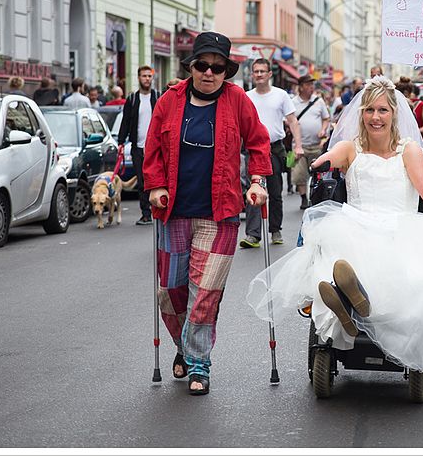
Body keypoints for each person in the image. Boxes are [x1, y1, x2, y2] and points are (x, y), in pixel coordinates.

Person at [246, 76, 423, 376]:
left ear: (394, 114)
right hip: (355, 221)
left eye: (382, 111)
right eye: (369, 110)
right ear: (360, 113)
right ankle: (351, 305)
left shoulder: (409, 150)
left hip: (399, 224)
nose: (375, 118)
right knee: (335, 245)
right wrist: (320, 164)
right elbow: (329, 158)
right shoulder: (350, 148)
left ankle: (358, 306)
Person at [144, 31, 272, 395]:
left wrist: (258, 180)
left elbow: (259, 142)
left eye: (218, 68)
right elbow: (152, 147)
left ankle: (199, 365)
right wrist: (155, 185)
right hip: (174, 213)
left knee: (205, 294)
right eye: (203, 65)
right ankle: (183, 347)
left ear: (226, 72)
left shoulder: (237, 101)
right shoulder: (170, 100)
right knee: (170, 291)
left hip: (221, 214)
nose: (210, 73)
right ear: (192, 67)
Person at [240, 58, 303, 248]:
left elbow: (292, 121)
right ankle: (252, 235)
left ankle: (275, 230)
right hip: (252, 148)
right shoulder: (246, 96)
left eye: (262, 71)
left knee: (275, 192)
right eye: (255, 71)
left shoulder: (281, 95)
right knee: (253, 189)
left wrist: (298, 145)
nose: (258, 75)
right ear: (252, 74)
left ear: (269, 74)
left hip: (274, 147)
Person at [117, 65, 160, 225]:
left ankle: (159, 210)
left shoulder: (158, 97)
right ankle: (146, 213)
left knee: (157, 180)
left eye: (149, 76)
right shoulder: (132, 99)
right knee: (142, 182)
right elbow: (125, 122)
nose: (147, 79)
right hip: (138, 147)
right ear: (138, 78)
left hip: (156, 147)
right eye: (144, 76)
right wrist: (121, 142)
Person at [292, 75, 330, 209]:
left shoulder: (318, 101)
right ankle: (303, 198)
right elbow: (289, 120)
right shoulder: (293, 102)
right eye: (308, 85)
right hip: (298, 145)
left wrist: (323, 129)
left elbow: (326, 118)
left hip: (316, 144)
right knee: (300, 174)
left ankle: (315, 195)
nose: (311, 88)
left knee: (317, 173)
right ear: (301, 87)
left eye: (312, 85)